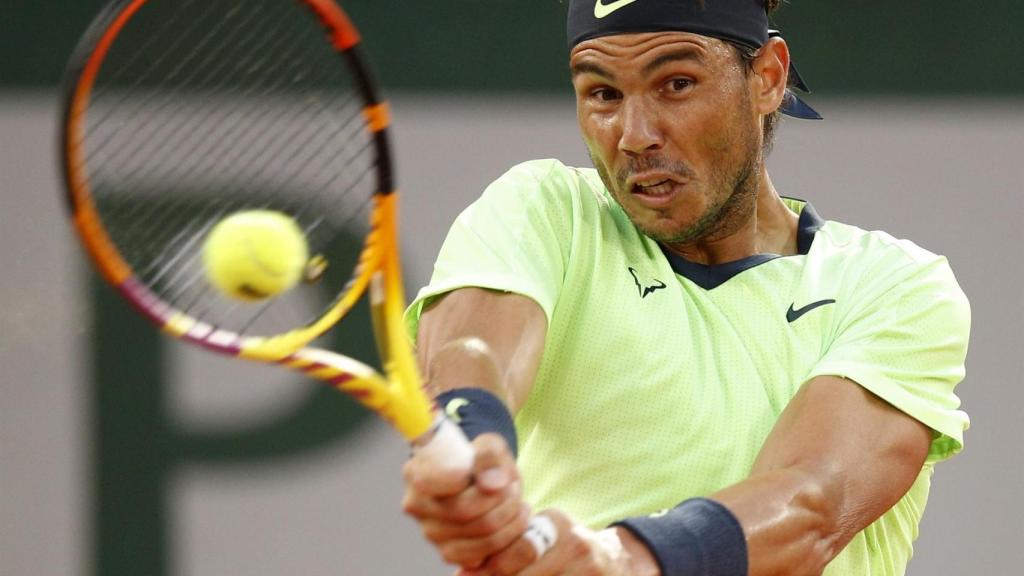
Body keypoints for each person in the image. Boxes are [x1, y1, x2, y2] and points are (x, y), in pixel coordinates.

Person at [401, 1, 970, 574]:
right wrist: (471, 436)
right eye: (603, 94)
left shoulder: (894, 285)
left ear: (767, 77)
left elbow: (809, 505)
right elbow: (468, 354)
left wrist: (626, 560)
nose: (635, 135)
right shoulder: (545, 210)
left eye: (676, 84)